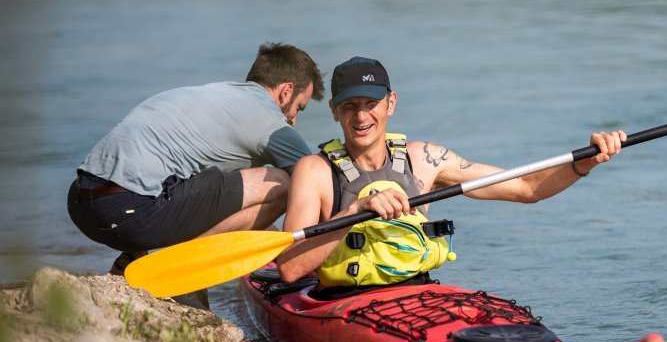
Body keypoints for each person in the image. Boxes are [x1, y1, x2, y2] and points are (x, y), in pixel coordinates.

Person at [276, 56, 625, 293]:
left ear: (391, 103)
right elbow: (290, 269)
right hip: (342, 304)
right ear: (335, 111)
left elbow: (526, 187)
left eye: (371, 103)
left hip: (418, 295)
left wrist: (584, 163)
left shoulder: (425, 159)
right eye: (350, 106)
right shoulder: (316, 171)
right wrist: (354, 212)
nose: (361, 116)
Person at [68, 42, 325, 277]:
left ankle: (134, 258)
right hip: (127, 211)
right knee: (282, 184)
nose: (294, 120)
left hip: (81, 203)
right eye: (298, 107)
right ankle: (169, 263)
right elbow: (319, 182)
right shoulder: (269, 121)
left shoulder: (213, 96)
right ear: (285, 92)